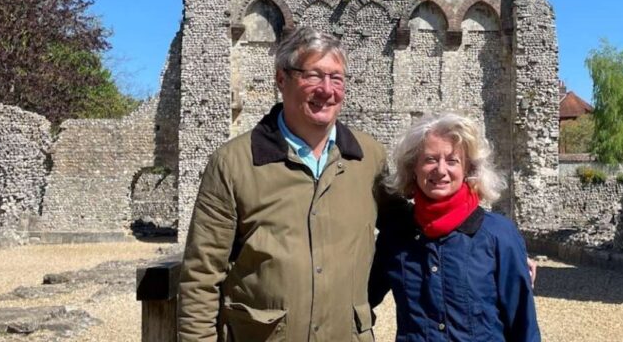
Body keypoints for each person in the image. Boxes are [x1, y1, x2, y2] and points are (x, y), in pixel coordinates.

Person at [179, 27, 396, 341]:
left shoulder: (368, 158)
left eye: (337, 78)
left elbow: (403, 232)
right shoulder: (234, 163)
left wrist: (361, 297)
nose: (327, 89)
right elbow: (201, 275)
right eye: (314, 76)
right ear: (282, 79)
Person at [369, 113, 541, 342]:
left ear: (468, 170)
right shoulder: (396, 237)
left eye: (452, 161)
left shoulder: (499, 236)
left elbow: (523, 326)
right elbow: (358, 299)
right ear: (414, 168)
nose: (440, 170)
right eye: (430, 159)